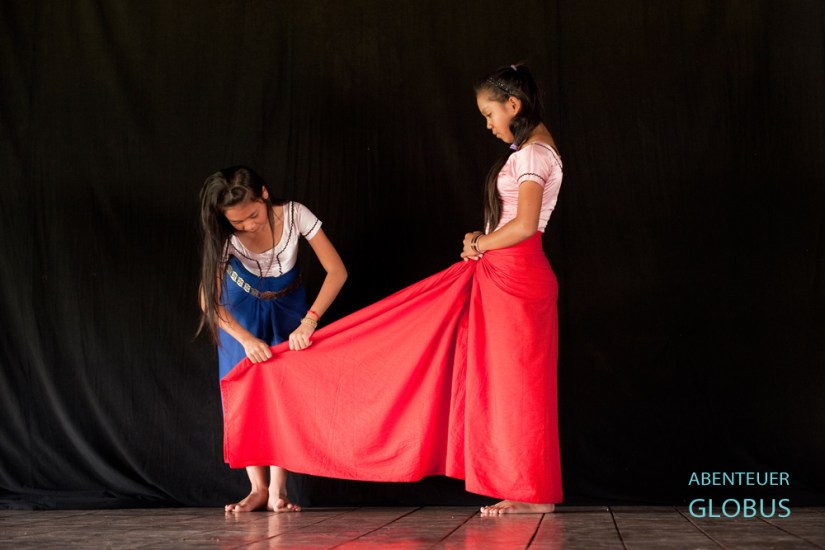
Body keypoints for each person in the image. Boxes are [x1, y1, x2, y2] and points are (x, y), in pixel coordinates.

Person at [219, 64, 562, 515]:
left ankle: (530, 494)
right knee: (503, 382)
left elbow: (522, 226)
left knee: (516, 382)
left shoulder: (534, 156)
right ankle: (523, 488)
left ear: (513, 105)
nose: (488, 124)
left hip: (515, 276)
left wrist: (479, 241)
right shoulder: (532, 152)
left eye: (488, 113)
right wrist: (481, 243)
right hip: (505, 274)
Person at [198, 166, 347, 513]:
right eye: (239, 222)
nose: (250, 225)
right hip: (241, 308)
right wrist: (245, 338)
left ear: (264, 194)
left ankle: (279, 491)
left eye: (253, 215)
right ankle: (257, 489)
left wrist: (310, 321)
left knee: (287, 391)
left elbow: (337, 271)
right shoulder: (223, 234)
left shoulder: (295, 213)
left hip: (289, 302)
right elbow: (209, 301)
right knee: (244, 391)